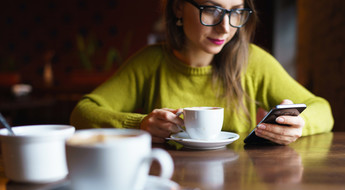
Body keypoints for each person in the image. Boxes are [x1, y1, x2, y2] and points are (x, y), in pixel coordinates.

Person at [70, 0, 334, 145]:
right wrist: (138, 124)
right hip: (167, 182)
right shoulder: (149, 63)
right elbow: (82, 112)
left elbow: (322, 109)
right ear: (178, 8)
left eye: (235, 13)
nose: (225, 28)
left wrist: (298, 125)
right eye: (212, 10)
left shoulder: (252, 61)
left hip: (238, 187)